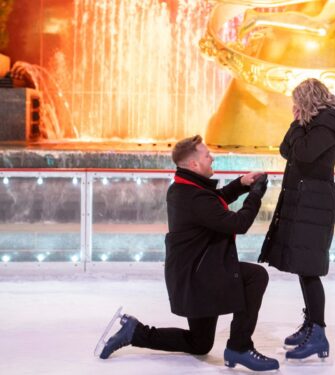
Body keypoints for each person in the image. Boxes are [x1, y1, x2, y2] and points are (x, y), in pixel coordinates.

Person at [97, 135, 278, 372]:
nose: (212, 157)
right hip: (199, 278)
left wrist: (241, 184)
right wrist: (255, 194)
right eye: (206, 155)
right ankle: (239, 347)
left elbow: (214, 203)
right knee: (256, 276)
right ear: (193, 164)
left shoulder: (184, 188)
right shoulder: (193, 196)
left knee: (200, 343)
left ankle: (135, 332)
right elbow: (237, 224)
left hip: (194, 274)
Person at [258, 78, 335, 360]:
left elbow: (302, 153)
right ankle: (311, 324)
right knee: (304, 266)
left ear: (306, 101)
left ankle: (319, 333)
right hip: (306, 202)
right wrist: (298, 124)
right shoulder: (315, 126)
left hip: (314, 204)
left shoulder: (326, 125)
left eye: (297, 104)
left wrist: (297, 123)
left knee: (310, 269)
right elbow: (285, 150)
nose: (294, 109)